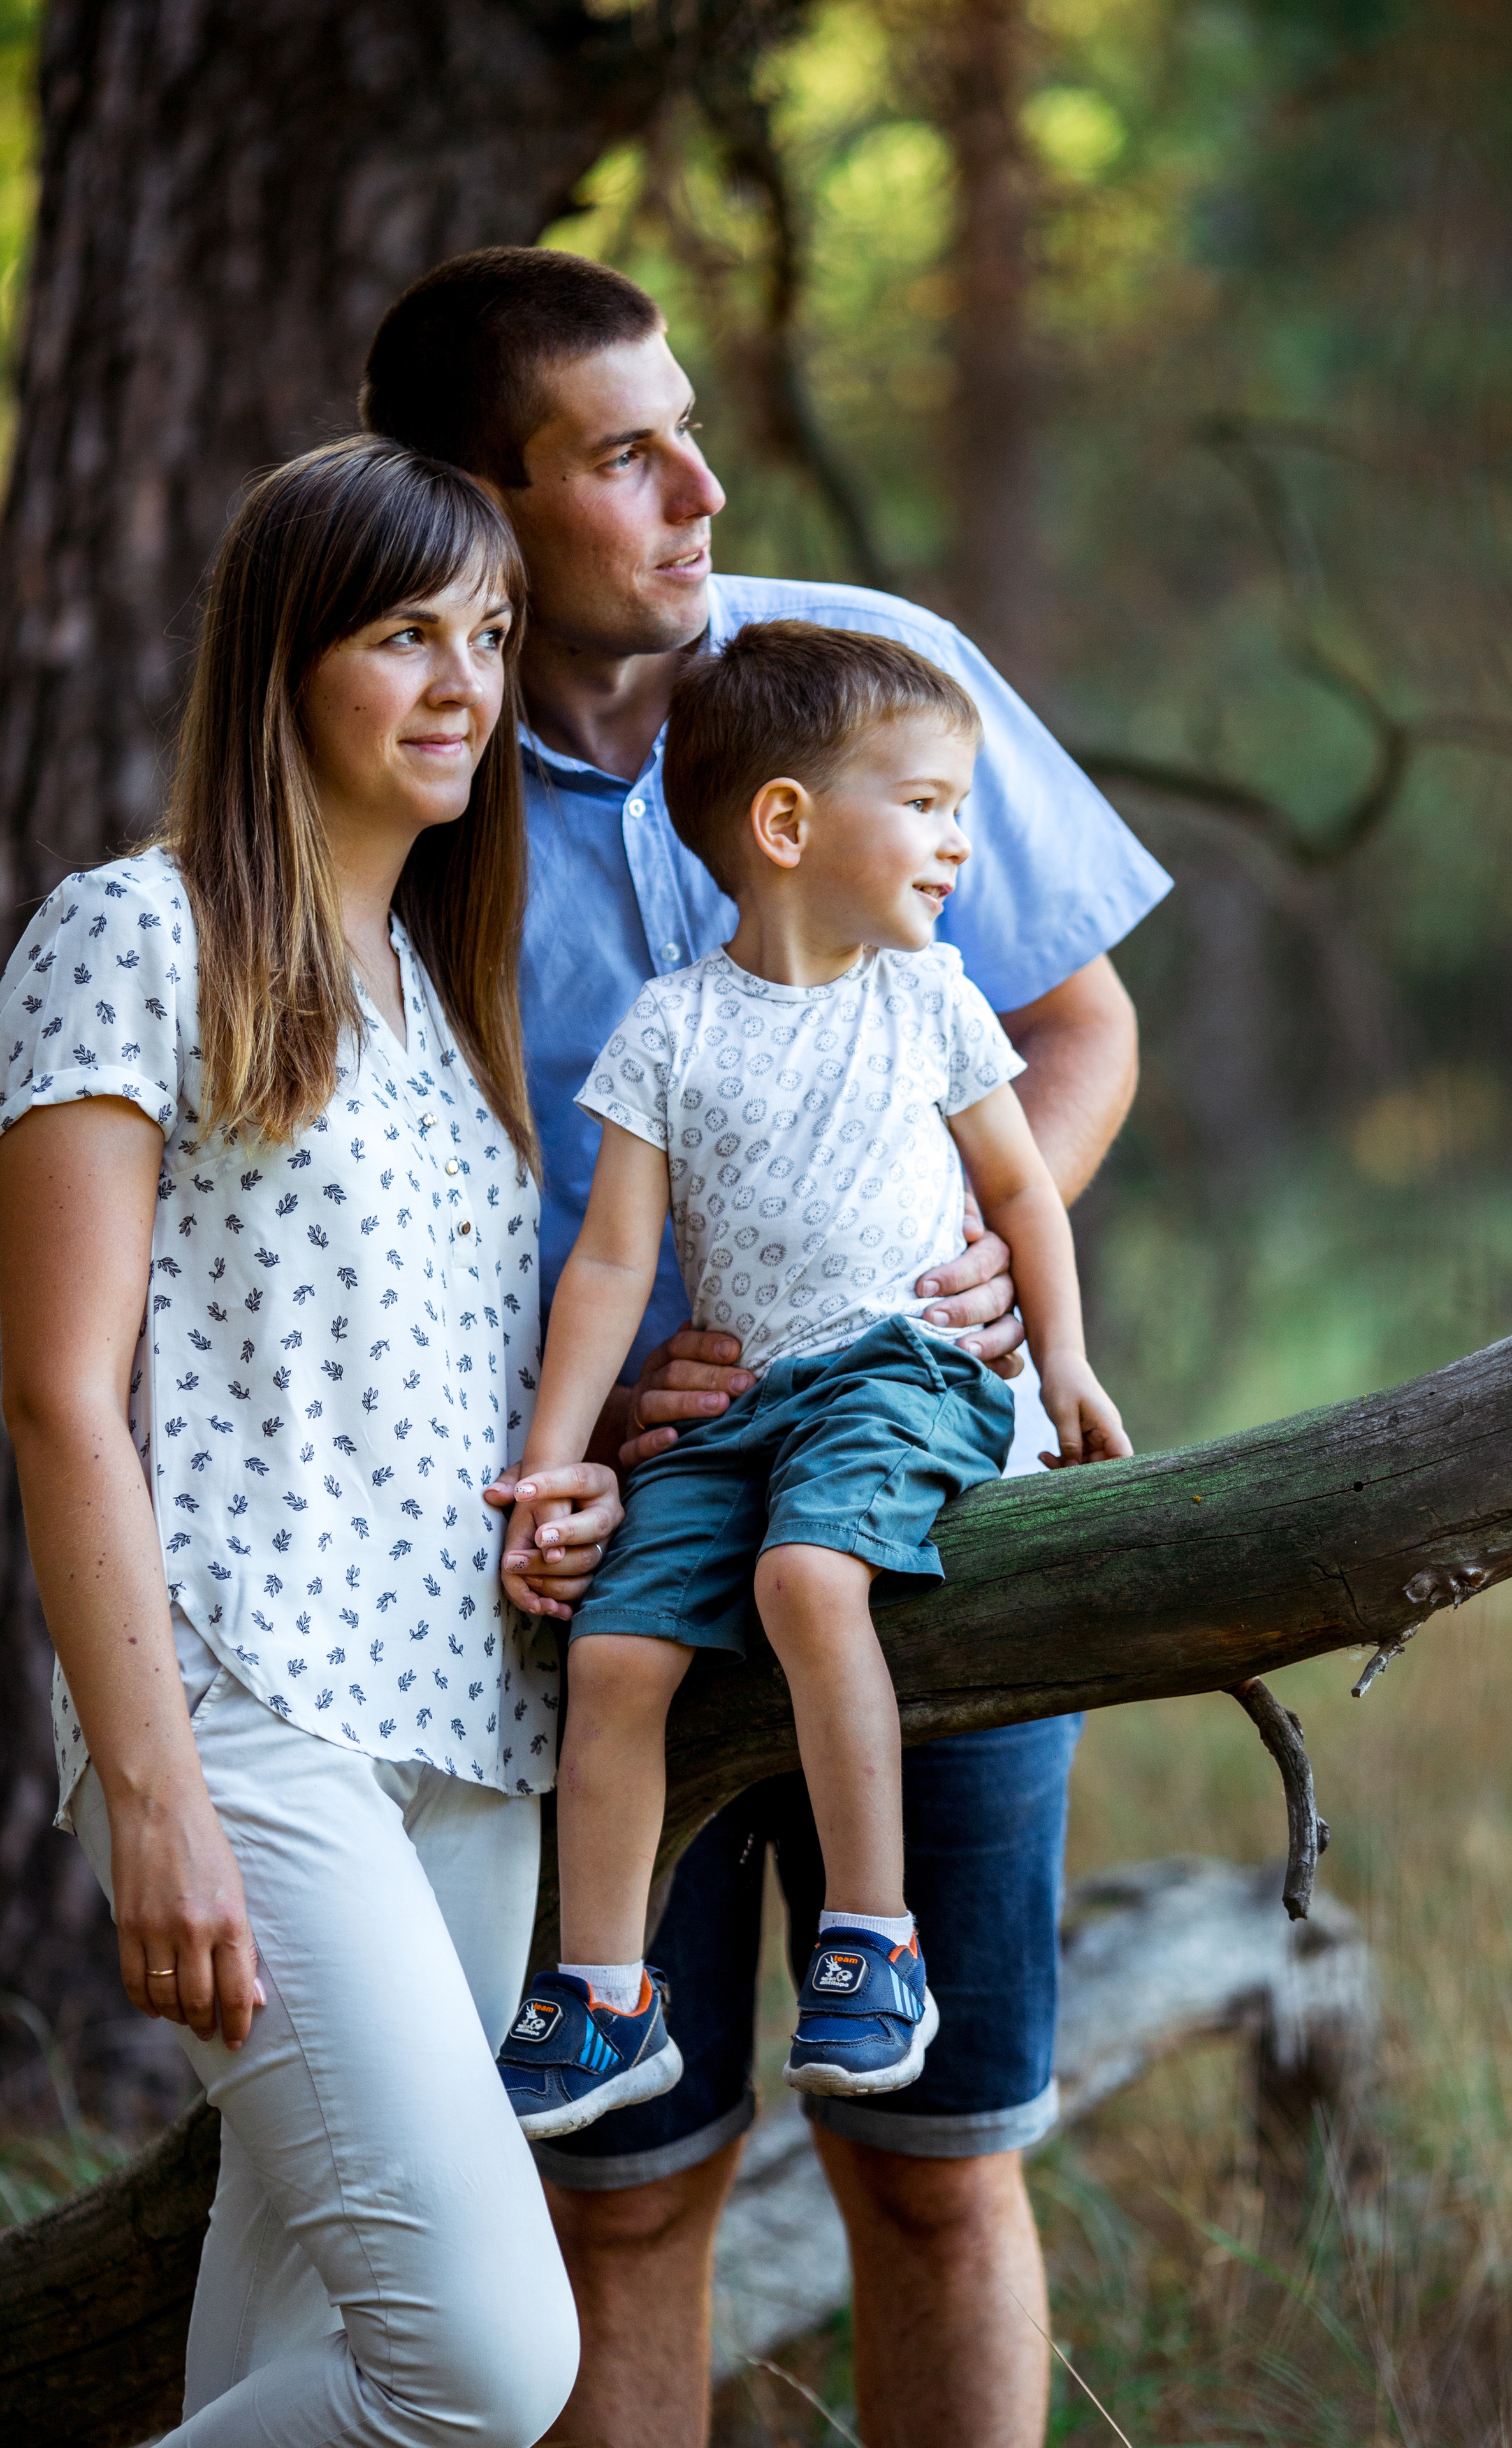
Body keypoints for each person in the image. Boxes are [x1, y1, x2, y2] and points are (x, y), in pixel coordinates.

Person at [361, 247, 1172, 2448]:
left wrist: (1004, 1259)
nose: (703, 486)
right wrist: (592, 1423)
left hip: (935, 1506)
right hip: (610, 1561)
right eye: (627, 455)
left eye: (690, 424)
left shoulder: (869, 680)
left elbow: (1076, 1026)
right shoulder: (392, 773)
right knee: (620, 2201)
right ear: (479, 501)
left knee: (938, 2169)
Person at [0, 436, 609, 2445]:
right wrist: (155, 1793)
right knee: (487, 2368)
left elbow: (431, 1392)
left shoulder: (441, 999)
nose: (465, 682)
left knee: (308, 2353)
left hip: (471, 1730)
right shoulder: (134, 935)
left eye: (492, 634)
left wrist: (579, 1478)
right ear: (283, 659)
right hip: (250, 1711)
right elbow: (59, 1396)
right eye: (404, 633)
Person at [493, 622, 1132, 2138]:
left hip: (905, 1379)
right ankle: (602, 1996)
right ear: (785, 826)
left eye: (957, 812)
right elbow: (606, 1266)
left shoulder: (928, 1004)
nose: (957, 844)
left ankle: (871, 1938)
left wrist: (1066, 1361)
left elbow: (1023, 1195)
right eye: (923, 806)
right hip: (734, 1417)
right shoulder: (671, 1030)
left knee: (802, 1579)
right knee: (616, 1659)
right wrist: (556, 1458)